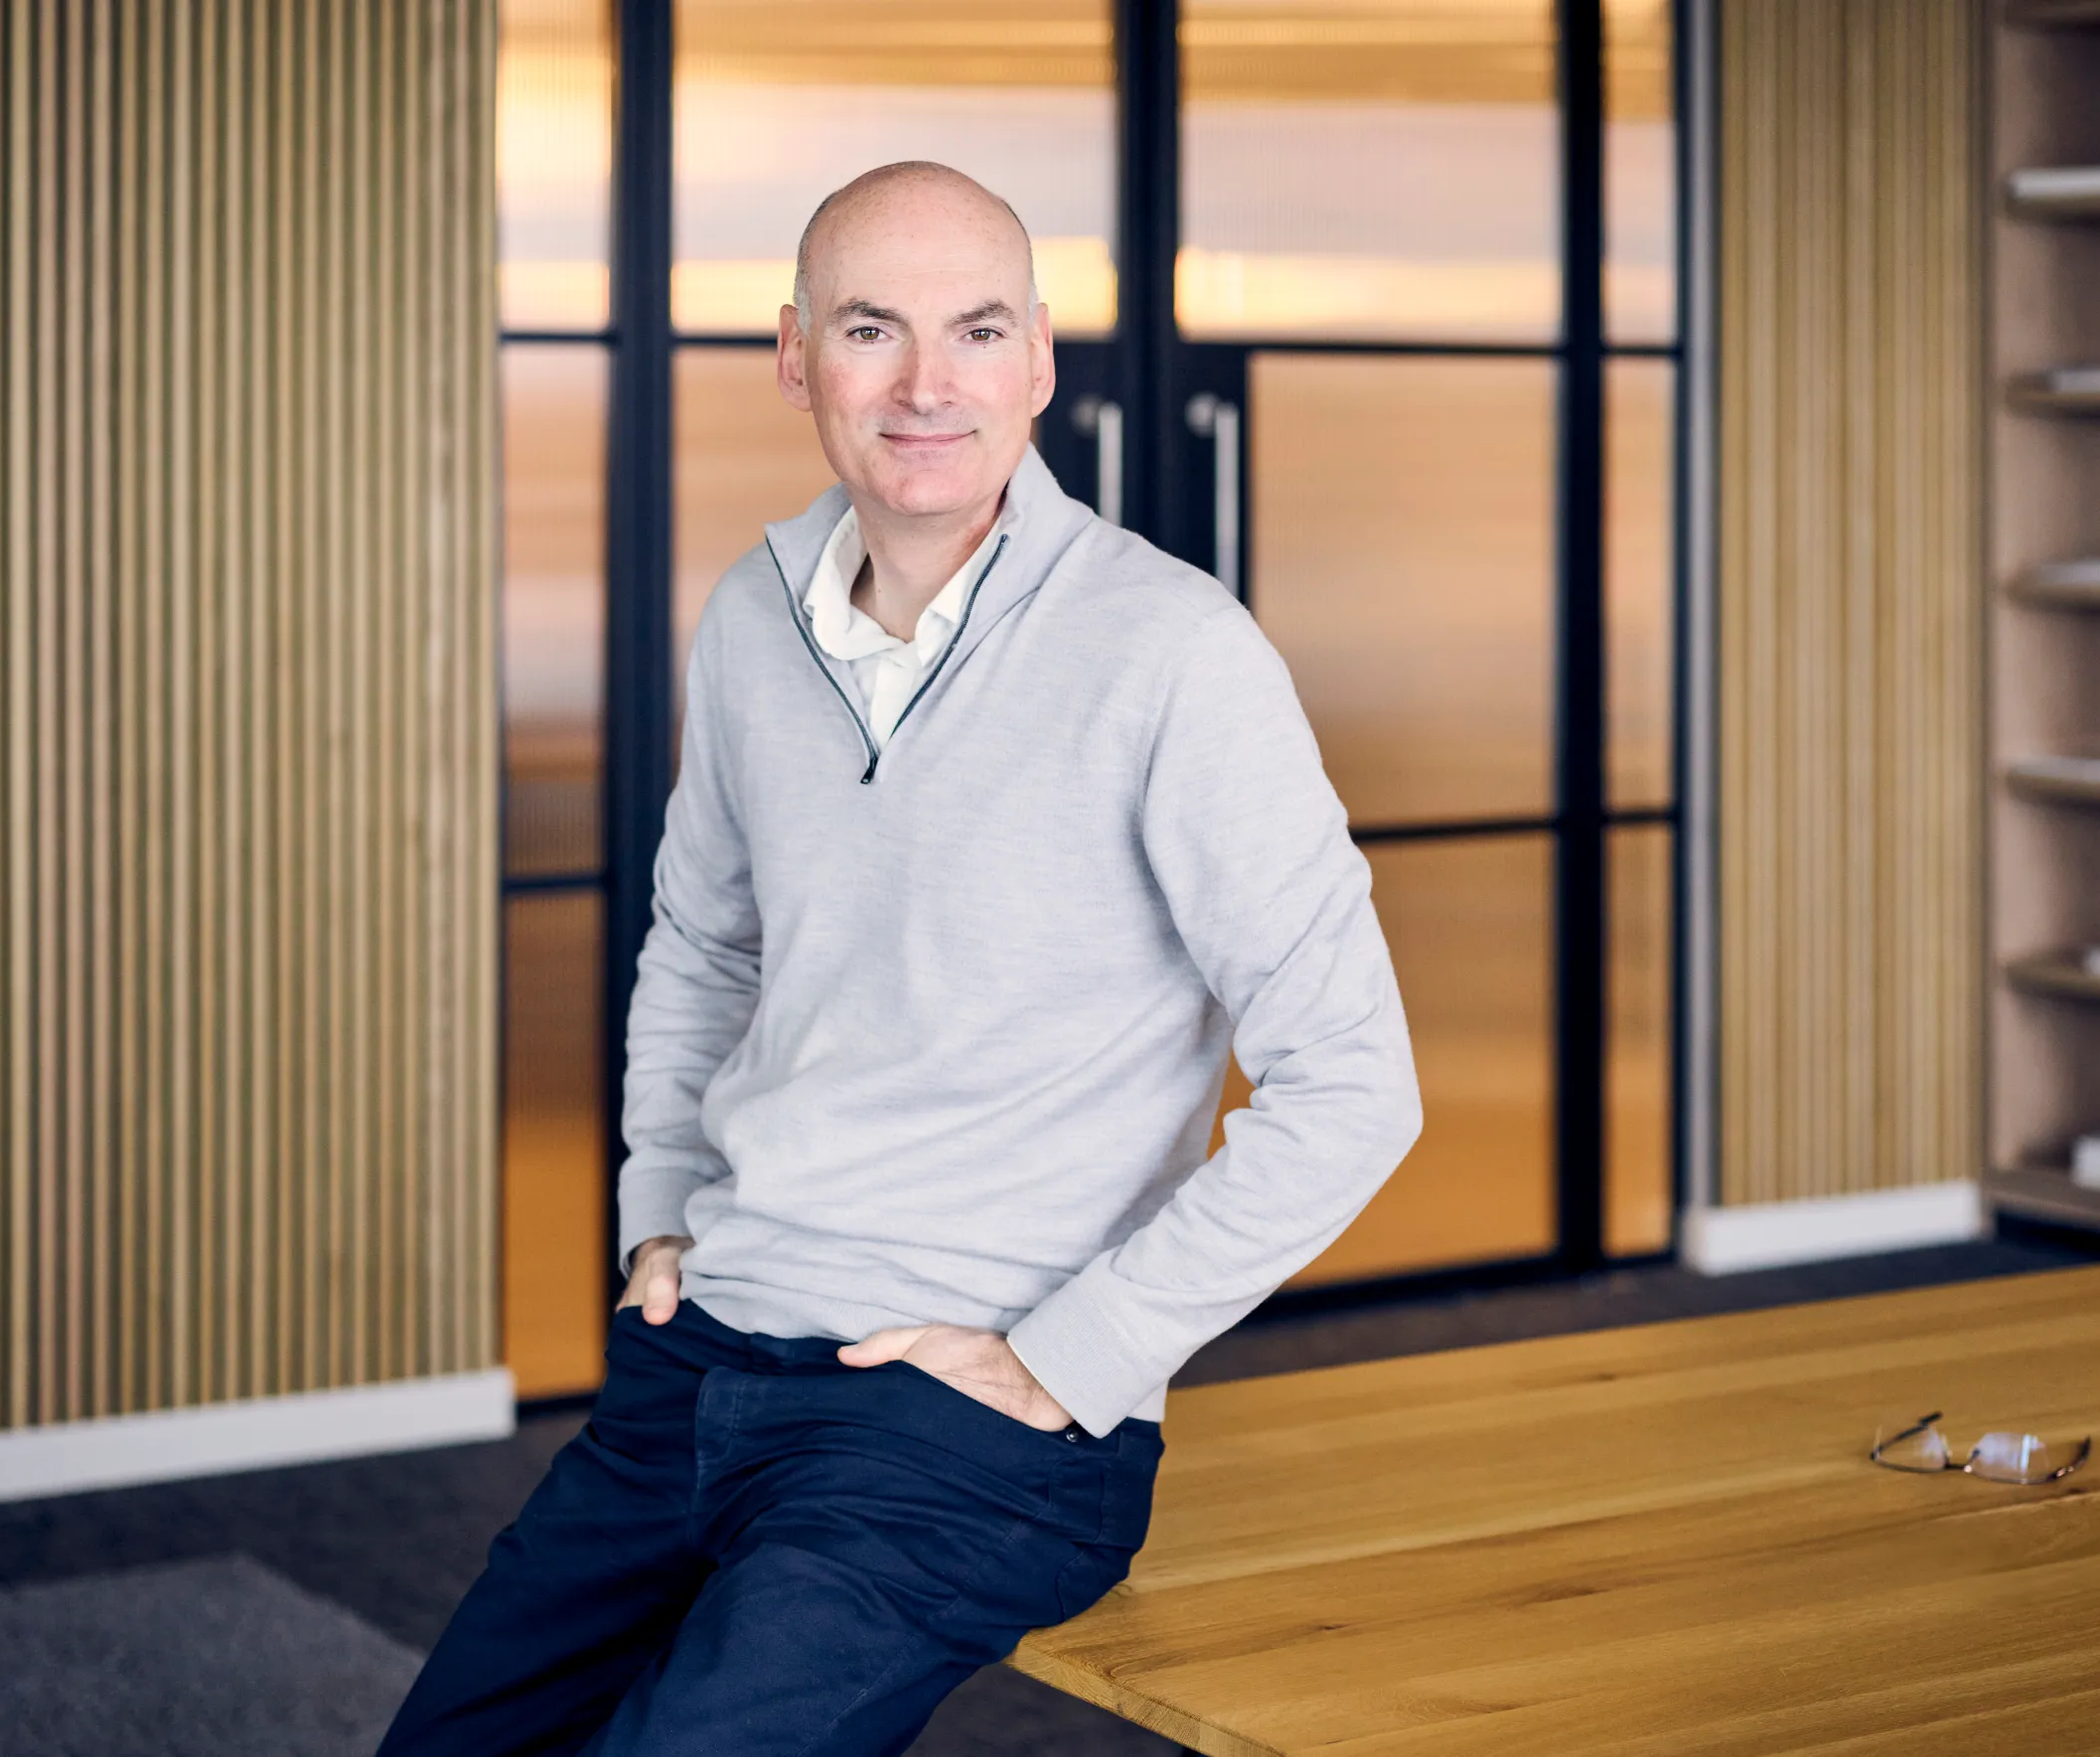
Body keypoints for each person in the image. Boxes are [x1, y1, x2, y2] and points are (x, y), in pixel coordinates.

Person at [378, 160, 1422, 1757]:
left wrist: (1074, 1358)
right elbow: (706, 944)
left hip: (960, 1424)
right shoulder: (752, 616)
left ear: (1040, 362)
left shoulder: (1173, 653)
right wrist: (658, 1209)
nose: (929, 385)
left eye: (978, 330)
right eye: (873, 329)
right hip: (698, 1358)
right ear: (795, 357)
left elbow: (1355, 1085)